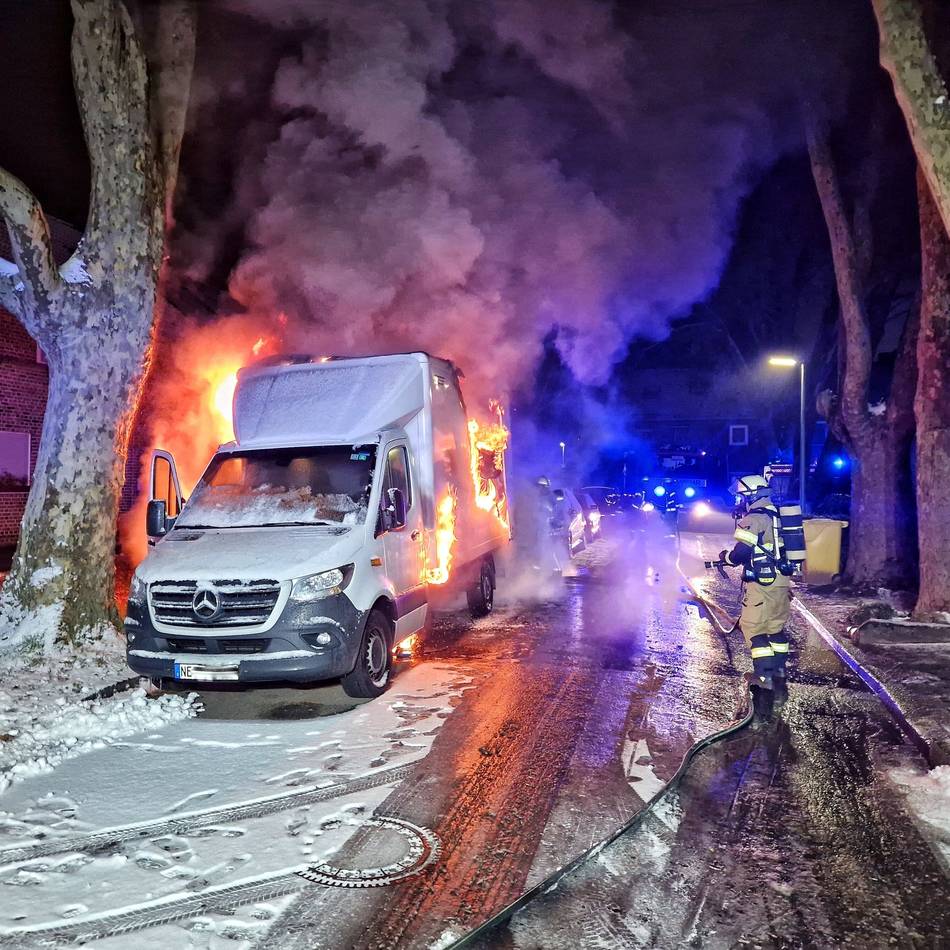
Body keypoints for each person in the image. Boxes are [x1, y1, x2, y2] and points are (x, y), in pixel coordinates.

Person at [719, 474, 792, 718]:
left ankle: (763, 677)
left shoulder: (754, 519)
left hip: (762, 583)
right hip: (781, 581)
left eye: (742, 496)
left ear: (752, 495)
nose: (740, 501)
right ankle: (779, 671)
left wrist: (725, 558)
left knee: (753, 626)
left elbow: (740, 554)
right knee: (775, 627)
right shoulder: (777, 515)